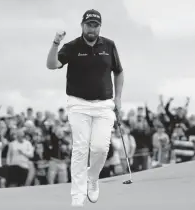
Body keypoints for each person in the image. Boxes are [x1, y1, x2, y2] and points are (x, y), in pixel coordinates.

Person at [46, 9, 124, 207]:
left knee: (100, 148)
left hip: (104, 104)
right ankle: (77, 197)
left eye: (96, 25)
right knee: (80, 149)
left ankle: (92, 179)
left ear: (99, 27)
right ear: (82, 25)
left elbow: (119, 73)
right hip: (78, 104)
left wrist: (119, 100)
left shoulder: (109, 45)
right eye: (89, 24)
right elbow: (52, 64)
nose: (92, 28)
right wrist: (55, 43)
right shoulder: (72, 46)